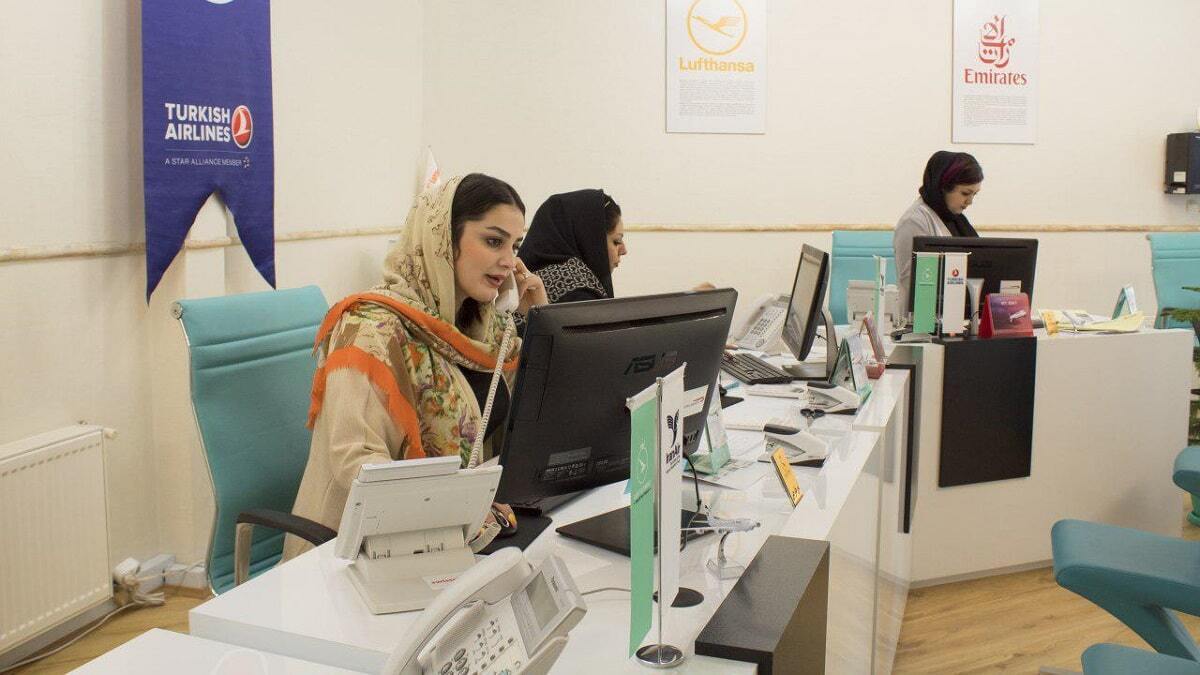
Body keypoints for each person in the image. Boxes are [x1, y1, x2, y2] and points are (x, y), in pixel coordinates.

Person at [282, 174, 548, 561]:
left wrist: (539, 322)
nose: (509, 262)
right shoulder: (367, 330)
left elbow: (535, 415)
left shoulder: (483, 328)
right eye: (494, 241)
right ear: (443, 242)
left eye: (515, 246)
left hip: (451, 538)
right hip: (356, 551)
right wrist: (460, 506)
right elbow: (358, 465)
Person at [893, 151, 984, 314]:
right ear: (943, 187)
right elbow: (913, 283)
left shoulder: (955, 220)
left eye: (974, 194)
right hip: (924, 317)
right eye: (965, 193)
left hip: (954, 314)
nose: (970, 201)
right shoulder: (914, 221)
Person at [517, 189, 626, 307]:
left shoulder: (523, 278)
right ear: (590, 240)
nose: (624, 250)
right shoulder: (579, 293)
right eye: (616, 241)